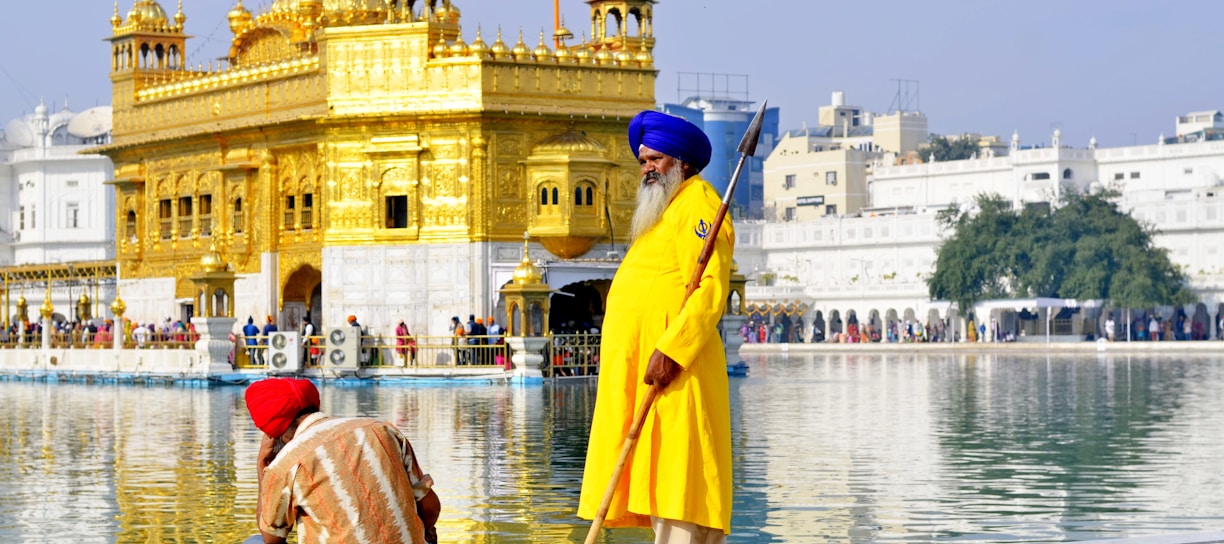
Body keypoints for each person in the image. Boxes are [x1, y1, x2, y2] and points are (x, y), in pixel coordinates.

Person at [578, 110, 734, 542]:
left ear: (682, 162)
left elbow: (710, 290)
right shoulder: (665, 210)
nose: (647, 167)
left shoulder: (699, 205)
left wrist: (672, 350)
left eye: (656, 159)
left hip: (677, 371)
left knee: (680, 480)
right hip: (652, 372)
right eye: (643, 160)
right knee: (662, 477)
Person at [244, 378, 440, 543]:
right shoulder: (382, 430)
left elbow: (272, 537)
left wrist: (263, 467)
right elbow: (430, 508)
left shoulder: (285, 463)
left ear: (271, 432)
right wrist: (427, 532)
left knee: (255, 542)